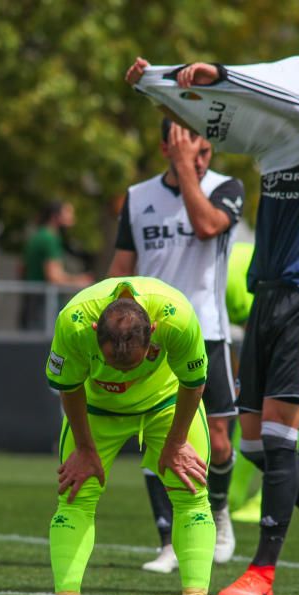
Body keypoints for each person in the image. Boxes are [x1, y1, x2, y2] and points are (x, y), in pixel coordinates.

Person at [127, 56, 299, 595]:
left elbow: (273, 101)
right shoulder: (274, 149)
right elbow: (223, 120)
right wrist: (157, 86)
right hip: (265, 301)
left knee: (281, 441)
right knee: (258, 448)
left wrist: (215, 70)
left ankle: (263, 570)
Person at [35, 276, 218, 595]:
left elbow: (194, 381)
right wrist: (85, 450)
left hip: (166, 404)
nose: (125, 374)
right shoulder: (73, 322)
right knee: (74, 495)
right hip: (97, 409)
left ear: (153, 330)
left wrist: (176, 442)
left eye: (133, 364)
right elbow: (68, 386)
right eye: (114, 364)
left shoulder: (176, 315)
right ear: (92, 332)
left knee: (190, 491)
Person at [108, 116, 245, 572]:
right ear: (166, 147)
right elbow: (122, 267)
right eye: (190, 150)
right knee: (155, 435)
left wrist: (189, 171)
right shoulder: (138, 197)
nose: (201, 159)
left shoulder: (228, 188)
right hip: (151, 337)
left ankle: (220, 512)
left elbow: (207, 226)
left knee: (220, 442)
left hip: (207, 329)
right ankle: (168, 540)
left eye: (205, 151)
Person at [19, 201, 94, 331]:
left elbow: (22, 268)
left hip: (34, 303)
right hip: (45, 305)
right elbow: (54, 277)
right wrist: (79, 282)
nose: (72, 218)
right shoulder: (49, 239)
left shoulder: (38, 236)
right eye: (68, 213)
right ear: (55, 216)